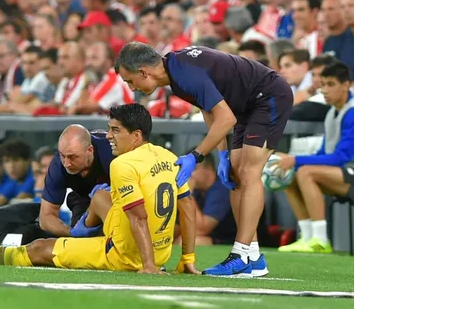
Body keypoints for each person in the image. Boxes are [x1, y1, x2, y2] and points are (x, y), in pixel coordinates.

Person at [0, 103, 199, 274]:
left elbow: (138, 217)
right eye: (109, 130)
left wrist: (147, 266)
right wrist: (187, 259)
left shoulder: (121, 163)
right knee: (100, 196)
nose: (109, 136)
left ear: (136, 135)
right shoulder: (168, 157)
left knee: (39, 248)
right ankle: (83, 231)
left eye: (115, 131)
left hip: (125, 253)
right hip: (160, 251)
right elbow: (187, 206)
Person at [115, 42, 293, 277]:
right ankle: (253, 257)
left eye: (130, 81)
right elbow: (210, 111)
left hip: (268, 96)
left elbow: (226, 119)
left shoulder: (184, 73)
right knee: (236, 176)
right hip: (245, 106)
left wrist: (196, 155)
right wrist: (222, 154)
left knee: (249, 172)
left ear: (144, 72)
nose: (132, 88)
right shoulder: (176, 73)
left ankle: (240, 255)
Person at [276, 62, 354, 254]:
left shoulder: (354, 112)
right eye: (323, 85)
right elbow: (323, 153)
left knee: (305, 172)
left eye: (331, 84)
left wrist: (296, 160)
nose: (325, 90)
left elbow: (340, 158)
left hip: (351, 171)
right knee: (289, 175)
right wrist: (292, 162)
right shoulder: (332, 113)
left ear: (346, 85)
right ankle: (307, 236)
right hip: (343, 173)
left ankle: (320, 239)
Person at [38, 125, 114, 237]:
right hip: (82, 199)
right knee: (81, 242)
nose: (66, 164)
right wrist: (72, 233)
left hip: (117, 197)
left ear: (90, 151)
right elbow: (45, 217)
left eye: (72, 157)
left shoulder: (111, 152)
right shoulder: (58, 165)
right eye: (62, 156)